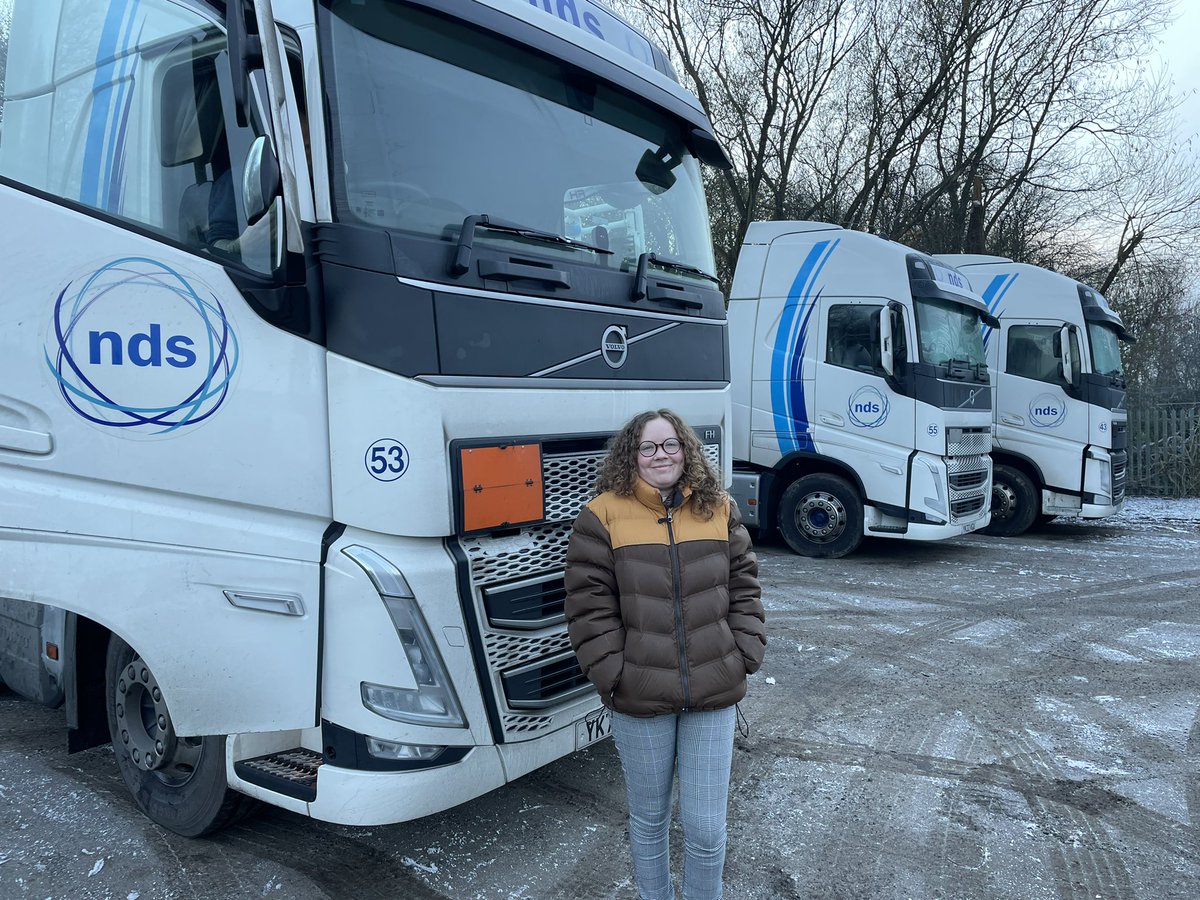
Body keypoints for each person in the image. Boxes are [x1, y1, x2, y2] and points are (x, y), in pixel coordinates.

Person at [565, 409, 766, 900]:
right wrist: (614, 675)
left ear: (687, 451)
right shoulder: (603, 515)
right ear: (630, 456)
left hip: (714, 691)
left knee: (705, 829)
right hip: (639, 695)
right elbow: (589, 607)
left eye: (671, 445)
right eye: (649, 447)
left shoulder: (717, 508)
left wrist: (744, 652)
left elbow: (744, 586)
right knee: (650, 820)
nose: (661, 456)